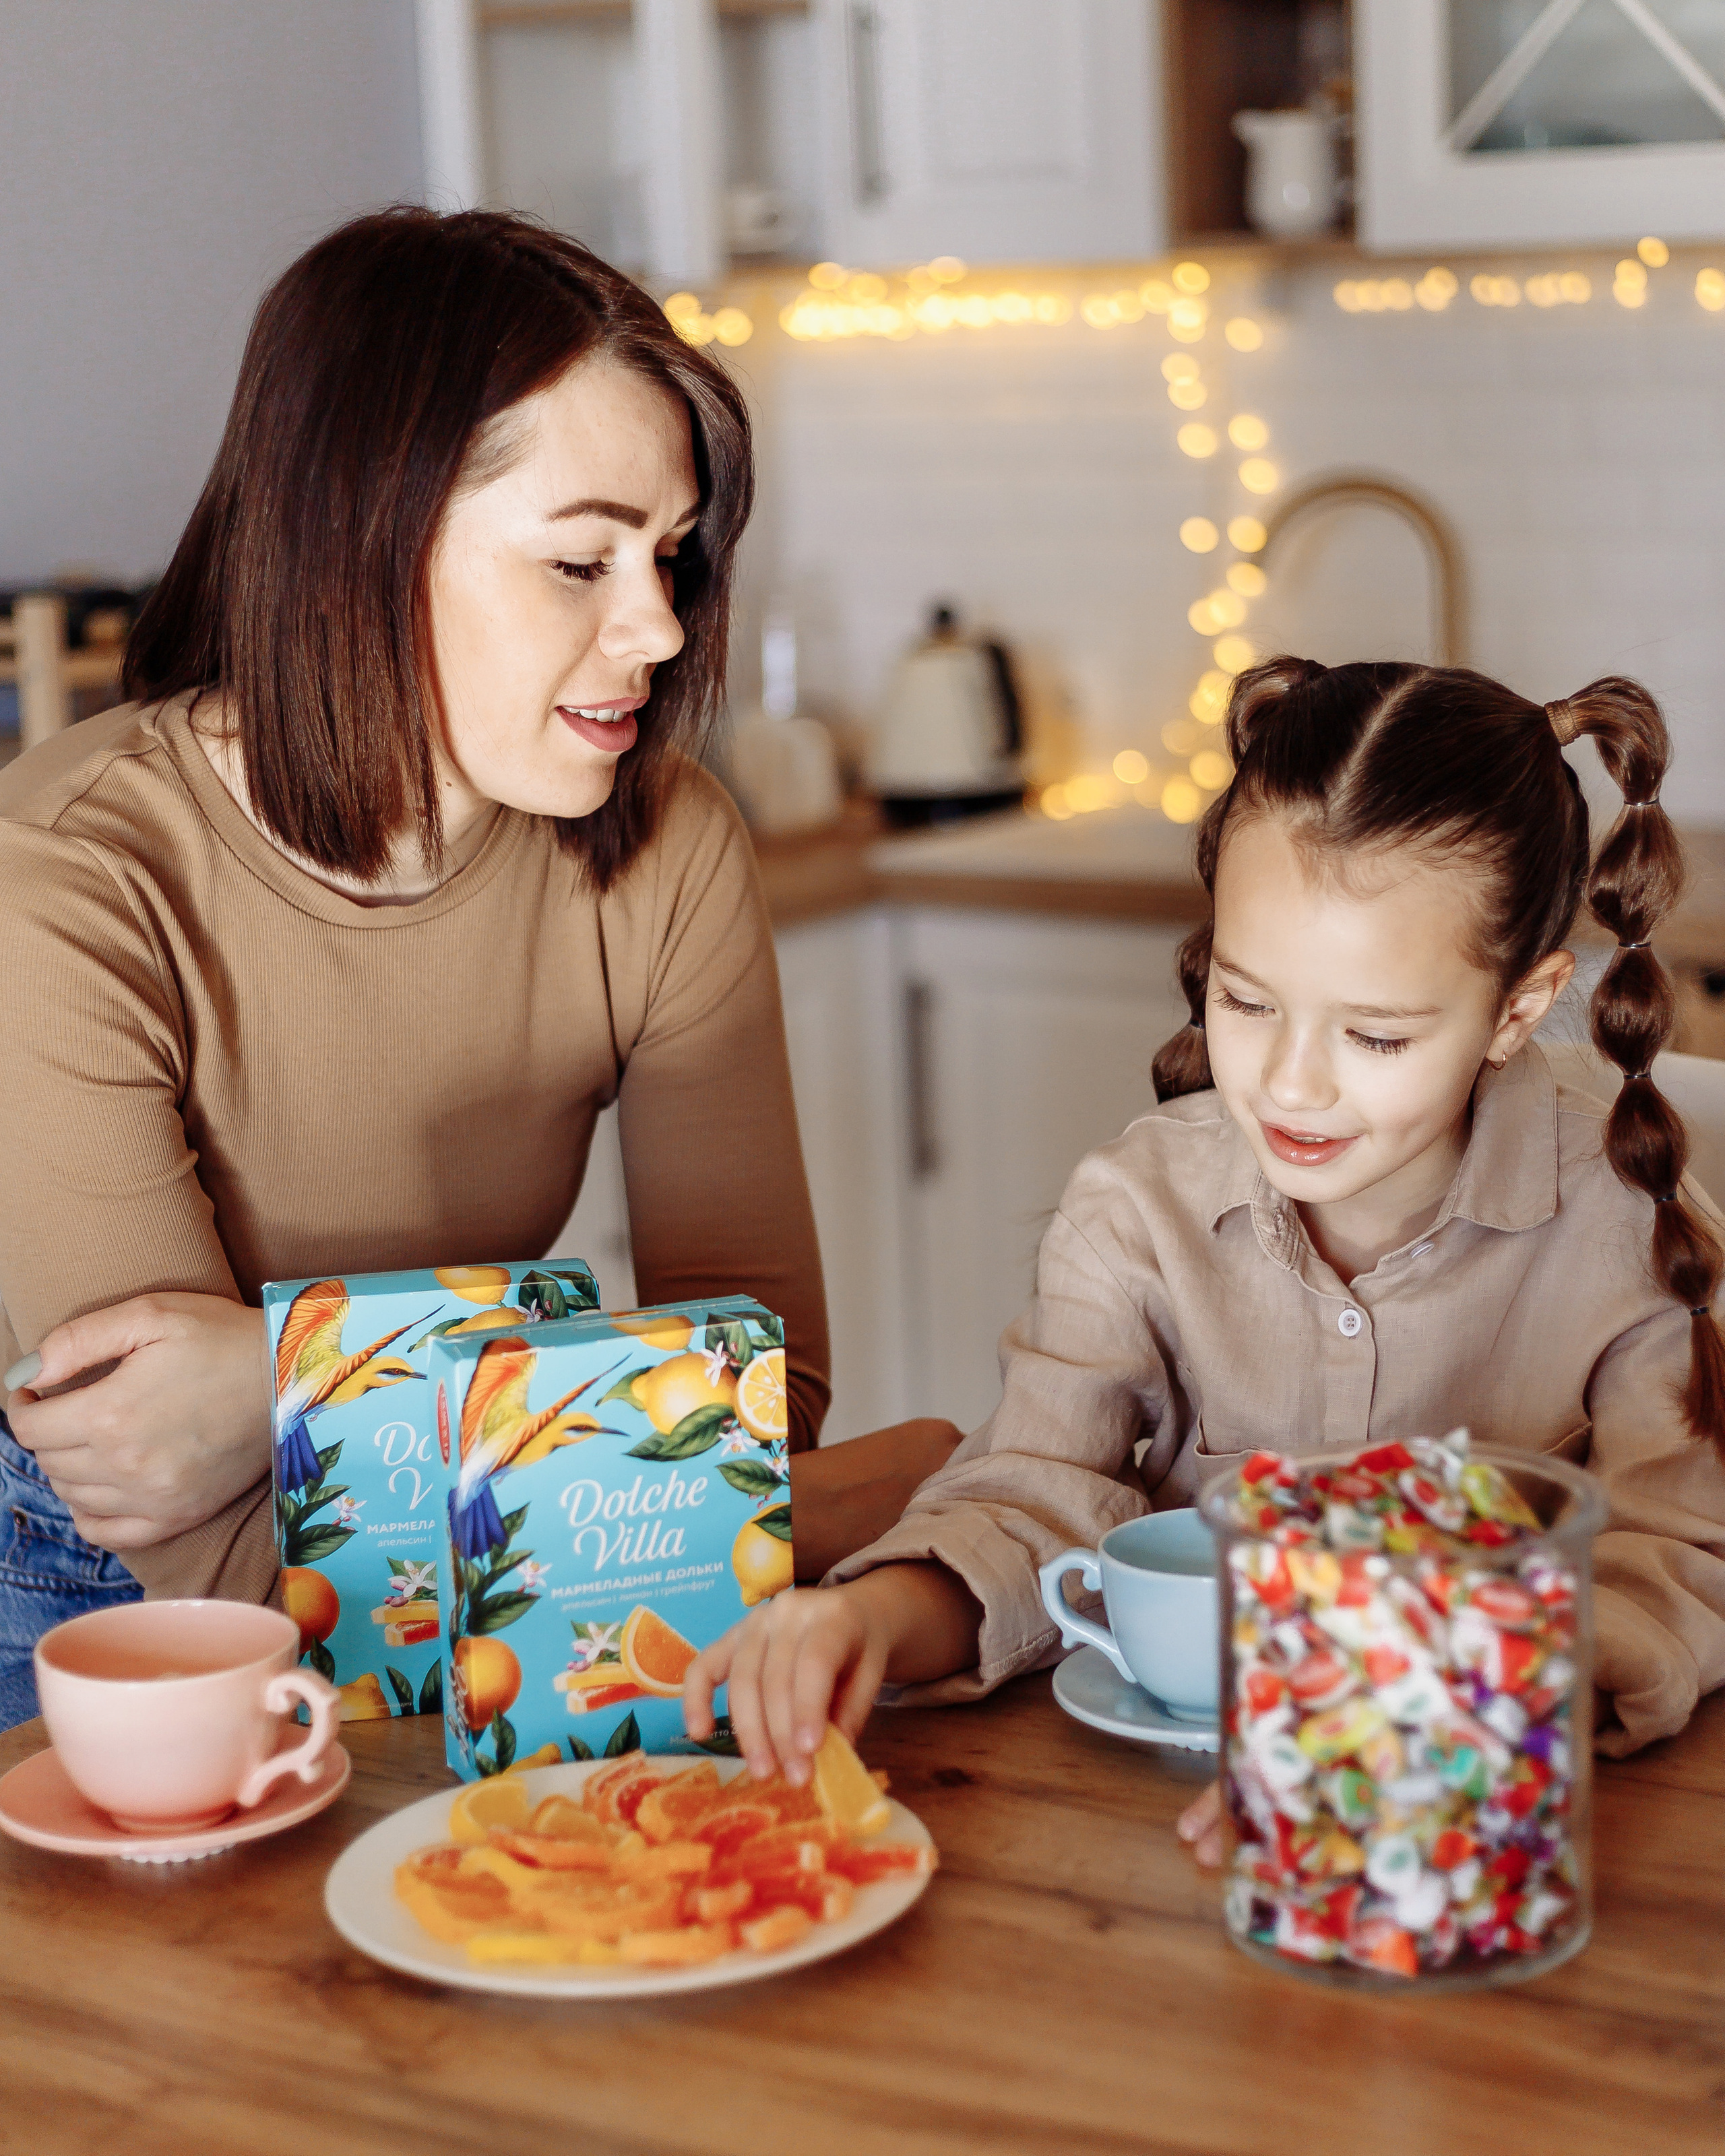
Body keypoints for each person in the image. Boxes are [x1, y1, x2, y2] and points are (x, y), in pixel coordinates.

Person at [0, 207, 953, 1731]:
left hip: (510, 1581)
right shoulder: (61, 882)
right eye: (580, 560)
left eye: (670, 555)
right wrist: (819, 1519)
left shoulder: (668, 844)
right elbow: (212, 1542)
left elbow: (763, 1396)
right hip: (90, 1599)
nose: (653, 626)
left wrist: (278, 1376)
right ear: (356, 542)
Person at [686, 656, 1725, 1845]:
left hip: (1490, 1839)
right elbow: (1029, 1503)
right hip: (1150, 1854)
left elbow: (1682, 1558)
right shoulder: (1133, 1212)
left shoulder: (1627, 1225)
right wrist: (864, 1617)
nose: (1290, 1082)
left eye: (1376, 1037)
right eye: (1247, 1000)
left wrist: (1432, 1721)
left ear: (1520, 1009)